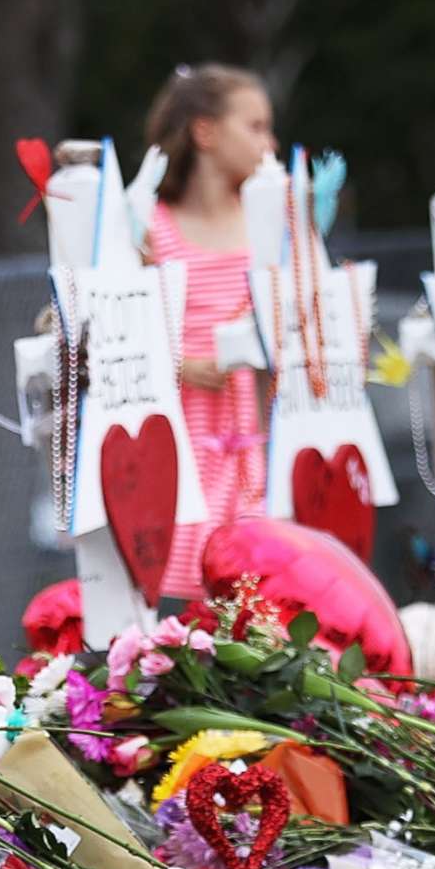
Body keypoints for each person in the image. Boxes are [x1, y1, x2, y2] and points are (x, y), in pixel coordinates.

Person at [142, 63, 275, 600]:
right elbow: (110, 338)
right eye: (256, 126)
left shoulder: (272, 222)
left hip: (254, 424)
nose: (270, 142)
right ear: (205, 131)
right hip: (180, 431)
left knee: (258, 587)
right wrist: (182, 365)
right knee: (178, 586)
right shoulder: (150, 226)